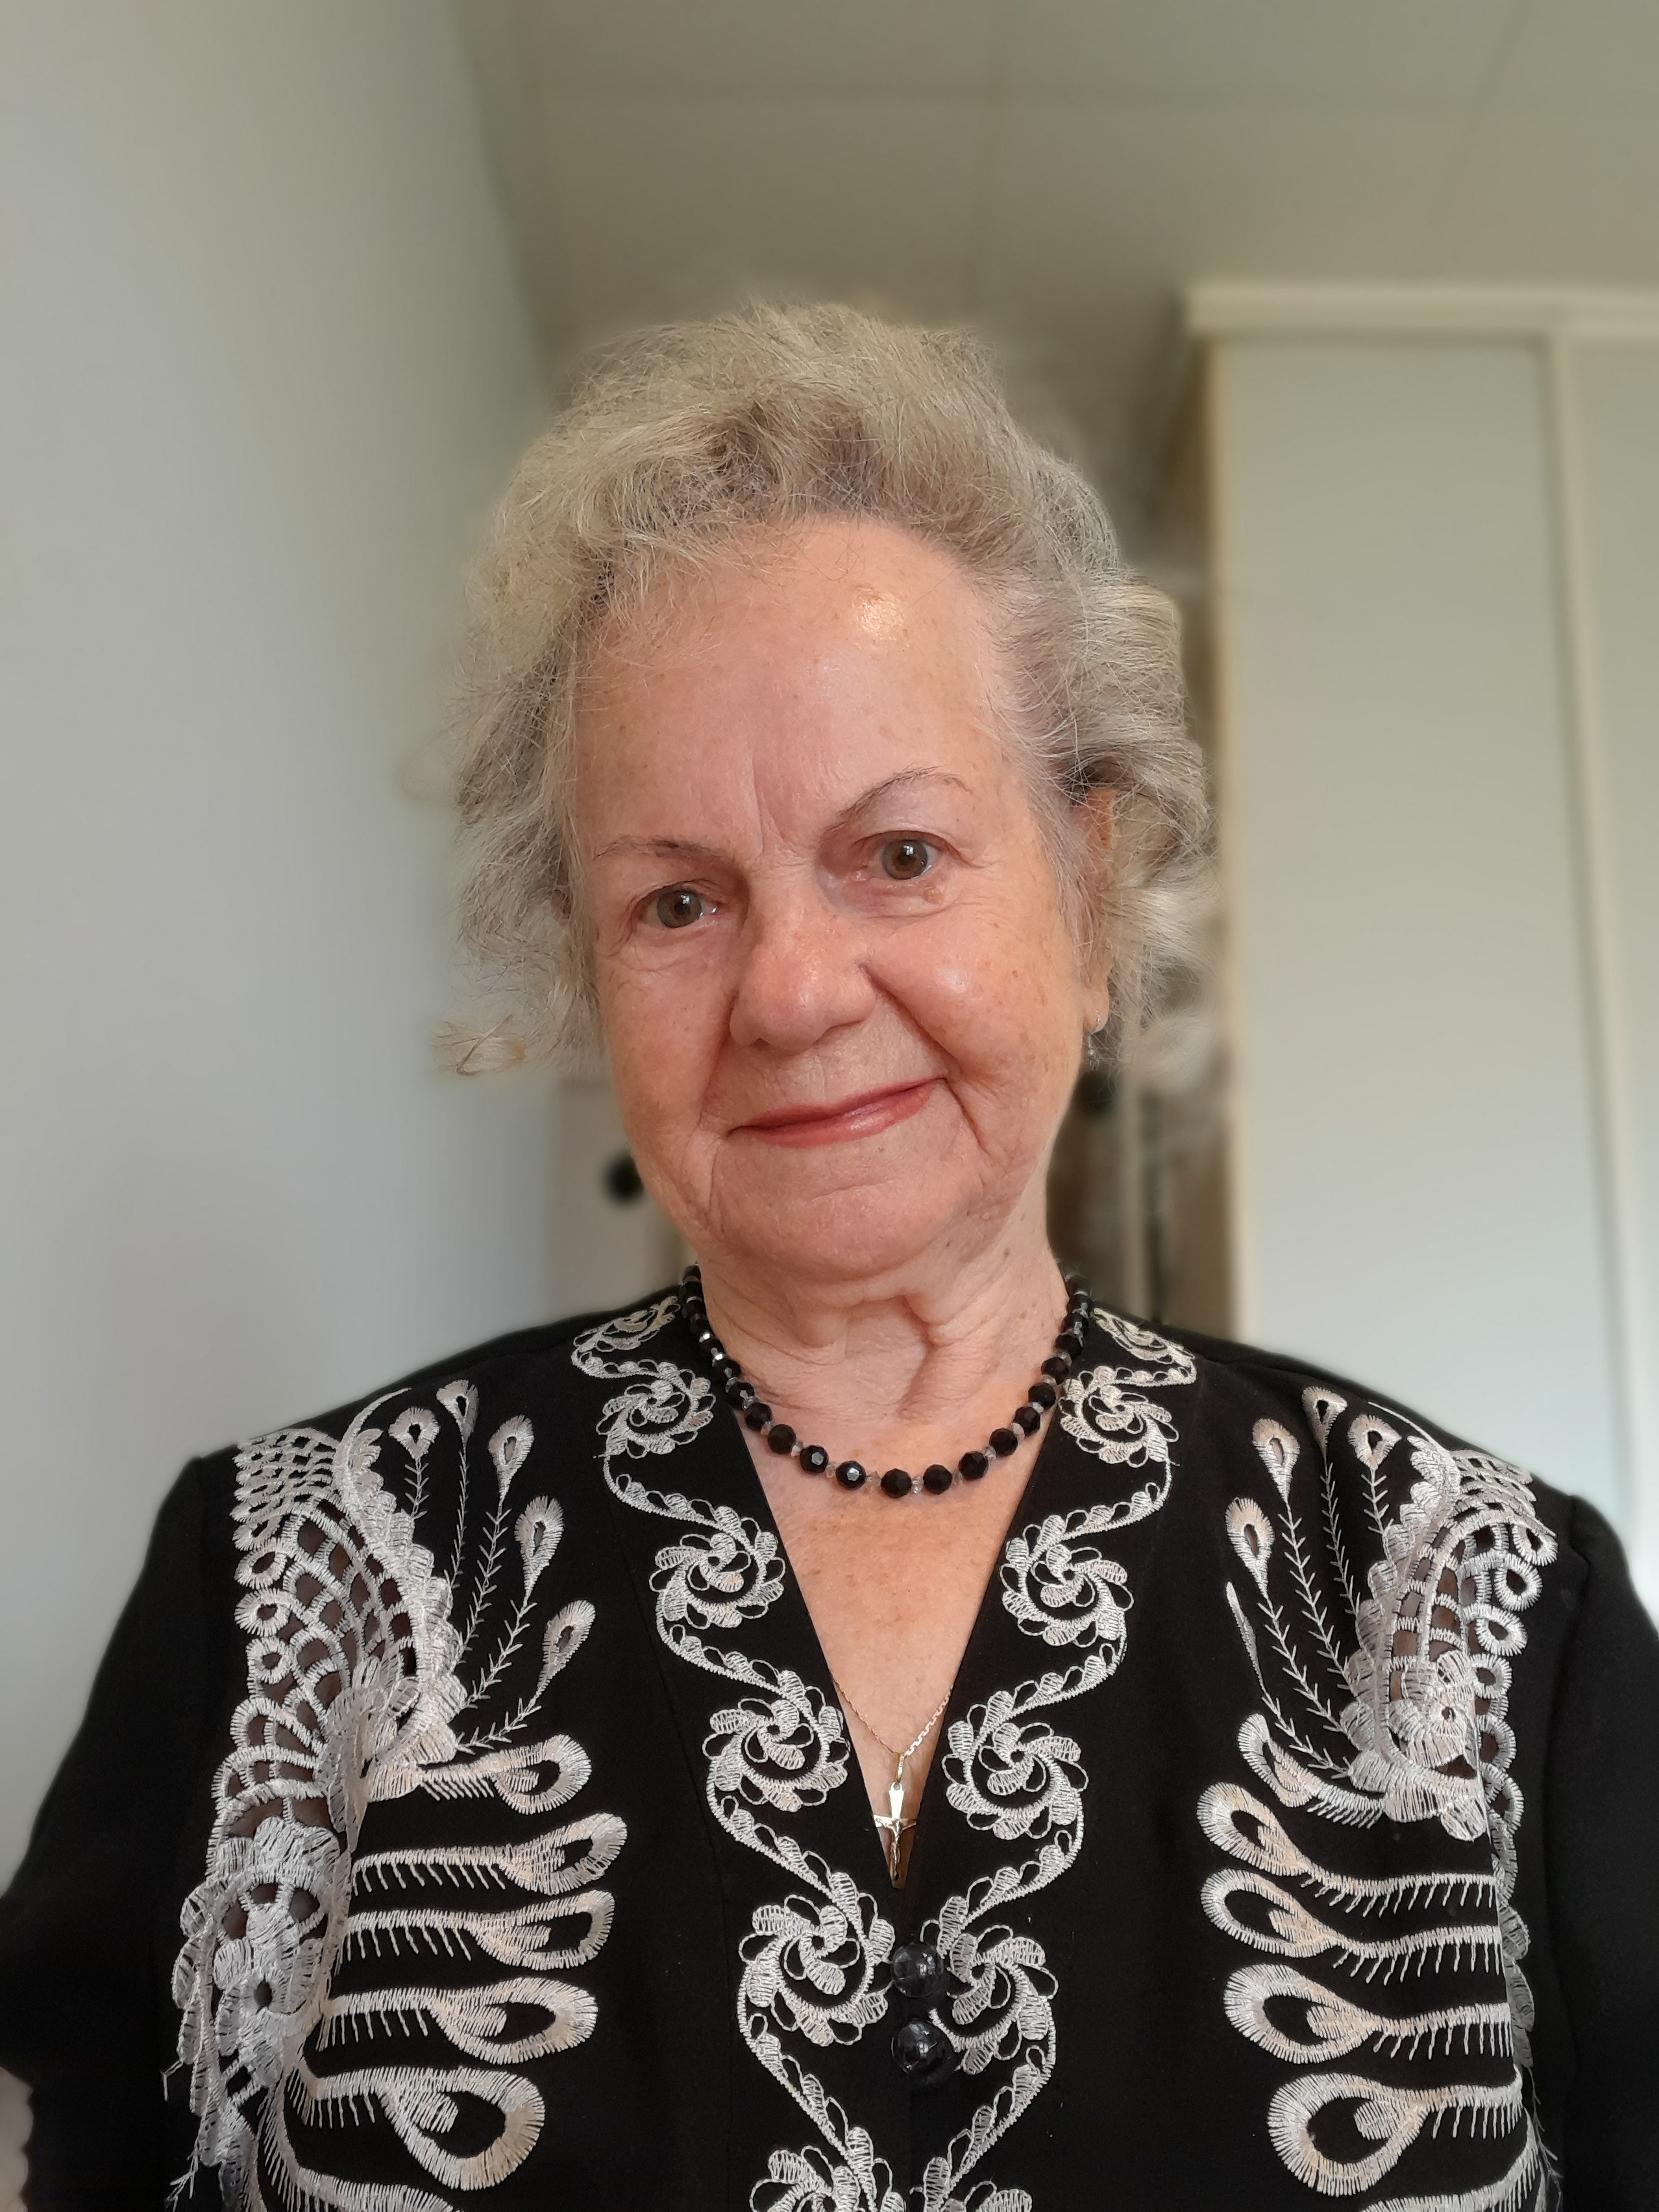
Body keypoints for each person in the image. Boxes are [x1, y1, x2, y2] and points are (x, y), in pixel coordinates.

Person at [1, 304, 1654, 2211]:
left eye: (900, 855)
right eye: (677, 900)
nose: (791, 992)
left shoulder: (1494, 1610)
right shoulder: (279, 1577)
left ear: (1091, 887)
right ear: (584, 968)